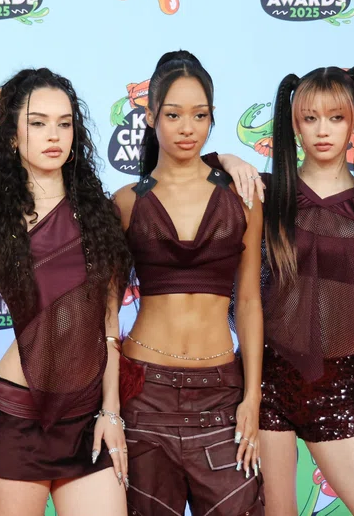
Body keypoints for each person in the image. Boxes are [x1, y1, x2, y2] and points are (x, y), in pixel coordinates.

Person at [216, 66, 354, 516]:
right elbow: (181, 168)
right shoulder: (264, 195)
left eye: (336, 118)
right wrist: (225, 160)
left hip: (341, 392)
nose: (322, 130)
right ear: (293, 124)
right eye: (310, 118)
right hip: (265, 384)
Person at [0, 68, 132, 516]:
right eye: (37, 123)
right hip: (14, 422)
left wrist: (111, 412)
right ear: (12, 137)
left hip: (87, 423)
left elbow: (111, 330)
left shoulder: (101, 216)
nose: (53, 134)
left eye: (64, 122)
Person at [112, 50, 265, 516]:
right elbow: (104, 310)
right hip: (144, 393)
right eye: (173, 114)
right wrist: (109, 410)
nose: (187, 127)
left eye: (200, 115)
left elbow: (252, 301)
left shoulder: (243, 195)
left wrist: (252, 397)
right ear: (151, 116)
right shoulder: (124, 202)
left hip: (222, 392)